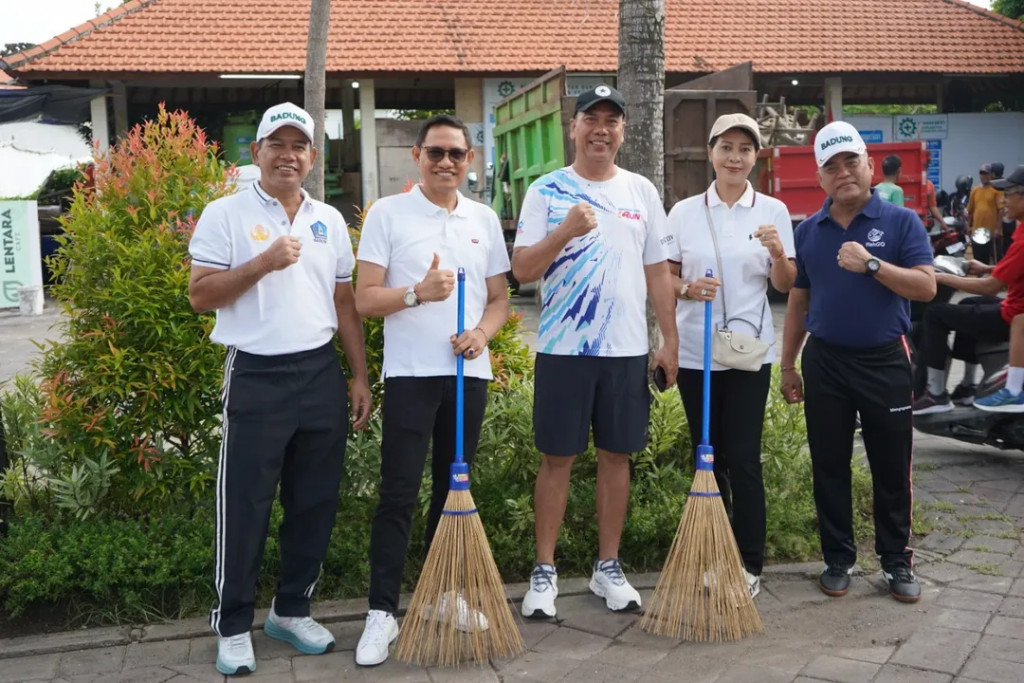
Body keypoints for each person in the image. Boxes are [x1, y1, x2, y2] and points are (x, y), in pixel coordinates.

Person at [188, 102, 372, 676]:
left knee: (314, 501)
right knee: (245, 504)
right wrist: (263, 262)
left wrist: (359, 373)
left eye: (299, 146)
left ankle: (291, 610)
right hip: (257, 373)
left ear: (312, 157)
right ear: (256, 153)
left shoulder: (329, 220)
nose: (288, 155)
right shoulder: (225, 214)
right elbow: (201, 294)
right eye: (277, 144)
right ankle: (234, 624)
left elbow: (344, 301)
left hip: (318, 371)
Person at [511, 84, 679, 619]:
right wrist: (564, 230)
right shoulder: (546, 190)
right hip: (563, 349)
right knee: (556, 458)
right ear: (574, 127)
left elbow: (658, 272)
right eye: (591, 119)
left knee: (616, 456)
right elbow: (522, 271)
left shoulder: (642, 192)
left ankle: (608, 567)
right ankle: (544, 571)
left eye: (612, 120)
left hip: (626, 351)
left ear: (623, 131)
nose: (601, 129)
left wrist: (668, 340)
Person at [352, 114, 510, 666]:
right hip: (411, 374)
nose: (447, 163)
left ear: (471, 161)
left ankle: (445, 595)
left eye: (457, 154)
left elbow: (499, 299)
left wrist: (482, 334)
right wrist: (417, 295)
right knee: (398, 494)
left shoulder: (483, 218)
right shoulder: (387, 215)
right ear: (416, 155)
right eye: (436, 152)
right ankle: (381, 612)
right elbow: (364, 300)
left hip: (469, 374)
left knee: (454, 492)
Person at [781, 121, 935, 604]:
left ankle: (896, 561)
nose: (843, 172)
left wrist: (871, 263)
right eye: (832, 166)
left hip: (885, 360)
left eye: (852, 162)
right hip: (825, 363)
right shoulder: (809, 231)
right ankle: (837, 558)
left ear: (870, 166)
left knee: (892, 466)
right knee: (828, 464)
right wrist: (788, 364)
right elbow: (798, 301)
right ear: (820, 176)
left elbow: (926, 286)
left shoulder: (901, 222)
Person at [667, 113, 796, 598]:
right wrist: (687, 287)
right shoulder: (683, 212)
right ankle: (712, 556)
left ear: (755, 157)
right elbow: (666, 279)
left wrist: (780, 253)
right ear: (710, 152)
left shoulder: (773, 211)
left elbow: (785, 284)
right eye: (726, 147)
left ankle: (748, 562)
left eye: (745, 148)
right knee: (708, 457)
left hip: (747, 355)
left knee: (743, 458)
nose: (735, 157)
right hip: (698, 356)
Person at [973, 165, 1024, 412]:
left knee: (938, 315)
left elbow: (991, 287)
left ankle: (1013, 390)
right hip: (978, 235)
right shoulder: (1020, 230)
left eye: (1009, 194)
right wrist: (988, 268)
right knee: (967, 305)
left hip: (1014, 309)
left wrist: (937, 279)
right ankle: (967, 386)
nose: (1003, 200)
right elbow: (1010, 271)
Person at [969, 163, 1004, 263]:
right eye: (982, 173)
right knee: (979, 259)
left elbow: (1001, 210)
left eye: (986, 173)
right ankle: (980, 278)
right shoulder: (974, 190)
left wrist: (998, 228)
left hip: (991, 232)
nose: (984, 176)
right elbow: (970, 210)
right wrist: (968, 226)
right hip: (977, 231)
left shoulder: (996, 190)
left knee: (995, 258)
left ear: (991, 175)